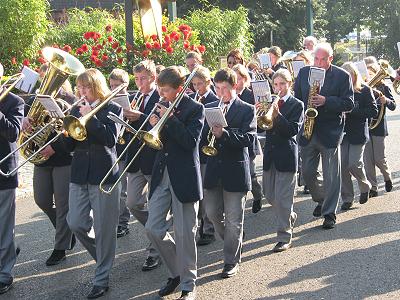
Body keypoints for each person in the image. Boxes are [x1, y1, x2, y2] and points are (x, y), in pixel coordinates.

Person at [145, 66, 204, 300]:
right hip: (163, 173)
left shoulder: (195, 108)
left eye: (166, 90)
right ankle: (177, 271)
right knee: (152, 228)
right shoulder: (160, 103)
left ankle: (189, 283)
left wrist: (168, 119)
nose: (162, 94)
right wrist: (153, 124)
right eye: (160, 89)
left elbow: (190, 142)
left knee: (185, 233)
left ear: (179, 89)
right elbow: (158, 140)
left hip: (185, 175)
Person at [64, 68, 122, 299]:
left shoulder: (112, 108)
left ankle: (102, 278)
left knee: (105, 228)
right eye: (79, 87)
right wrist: (66, 134)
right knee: (75, 222)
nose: (81, 91)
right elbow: (70, 147)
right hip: (79, 173)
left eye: (85, 87)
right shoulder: (74, 108)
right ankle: (103, 258)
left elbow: (110, 139)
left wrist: (92, 118)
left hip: (104, 174)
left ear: (96, 87)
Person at [294, 42, 354, 229]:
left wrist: (326, 101)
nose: (318, 63)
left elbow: (349, 103)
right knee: (308, 173)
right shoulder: (304, 73)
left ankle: (329, 213)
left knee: (331, 175)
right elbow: (297, 99)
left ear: (331, 59)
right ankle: (321, 199)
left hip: (330, 131)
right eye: (316, 59)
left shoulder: (342, 76)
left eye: (322, 60)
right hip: (308, 130)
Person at [203, 68, 256, 278]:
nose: (220, 92)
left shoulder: (246, 109)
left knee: (234, 221)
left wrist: (224, 134)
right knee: (212, 213)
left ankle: (231, 260)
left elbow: (249, 140)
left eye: (224, 88)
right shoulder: (209, 107)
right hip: (214, 170)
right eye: (217, 88)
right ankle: (234, 241)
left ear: (234, 87)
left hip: (235, 170)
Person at [22, 63, 76, 266]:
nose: (47, 84)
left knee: (63, 205)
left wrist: (55, 147)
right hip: (41, 159)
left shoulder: (70, 102)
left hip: (62, 158)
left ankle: (60, 248)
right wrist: (25, 124)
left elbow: (73, 134)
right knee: (42, 199)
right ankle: (66, 230)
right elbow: (27, 128)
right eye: (44, 79)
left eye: (50, 79)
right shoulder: (34, 101)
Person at [124, 60, 162, 271]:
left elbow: (159, 122)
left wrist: (142, 117)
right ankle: (157, 227)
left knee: (155, 206)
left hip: (154, 158)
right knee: (132, 203)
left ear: (153, 78)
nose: (139, 83)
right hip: (136, 159)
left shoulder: (161, 97)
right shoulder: (133, 98)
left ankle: (154, 251)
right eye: (136, 79)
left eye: (143, 79)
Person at [261, 69, 304, 252]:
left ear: (289, 84)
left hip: (286, 155)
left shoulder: (297, 105)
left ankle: (284, 237)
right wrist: (259, 113)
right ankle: (289, 215)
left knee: (283, 198)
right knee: (269, 195)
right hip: (270, 155)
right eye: (275, 84)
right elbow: (262, 127)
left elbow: (292, 131)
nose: (278, 88)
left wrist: (277, 115)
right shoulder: (269, 102)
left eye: (282, 84)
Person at [0, 63, 24, 295]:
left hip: (3, 172)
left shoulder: (14, 102)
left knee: (4, 226)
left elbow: (13, 132)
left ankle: (5, 274)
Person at [340, 62, 378, 210]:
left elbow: (373, 111)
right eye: (345, 76)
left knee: (354, 163)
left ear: (355, 75)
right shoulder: (340, 91)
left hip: (358, 133)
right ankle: (347, 198)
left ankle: (365, 186)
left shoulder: (365, 90)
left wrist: (352, 111)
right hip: (342, 133)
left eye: (350, 76)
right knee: (343, 167)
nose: (348, 79)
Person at [189, 65, 218, 246]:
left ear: (208, 82)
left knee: (207, 191)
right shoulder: (191, 100)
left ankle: (208, 229)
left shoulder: (215, 101)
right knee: (196, 191)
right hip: (193, 152)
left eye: (200, 84)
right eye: (194, 84)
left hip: (207, 151)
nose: (196, 87)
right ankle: (198, 225)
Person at [232, 64, 264, 213]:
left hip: (247, 139)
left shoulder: (251, 94)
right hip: (232, 141)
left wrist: (259, 110)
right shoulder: (227, 95)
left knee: (251, 174)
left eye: (238, 78)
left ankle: (257, 196)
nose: (235, 82)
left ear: (245, 79)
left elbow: (259, 120)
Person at [363, 63, 396, 197]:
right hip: (366, 127)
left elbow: (393, 106)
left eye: (372, 73)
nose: (369, 76)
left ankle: (387, 176)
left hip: (379, 127)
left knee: (379, 159)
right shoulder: (363, 88)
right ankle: (373, 188)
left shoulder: (384, 87)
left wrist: (385, 100)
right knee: (367, 160)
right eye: (367, 73)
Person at [108, 69, 131, 238]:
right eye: (111, 86)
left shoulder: (132, 101)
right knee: (115, 189)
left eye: (117, 85)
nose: (114, 88)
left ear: (126, 85)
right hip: (113, 149)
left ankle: (123, 223)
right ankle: (115, 221)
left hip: (126, 149)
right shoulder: (108, 101)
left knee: (123, 190)